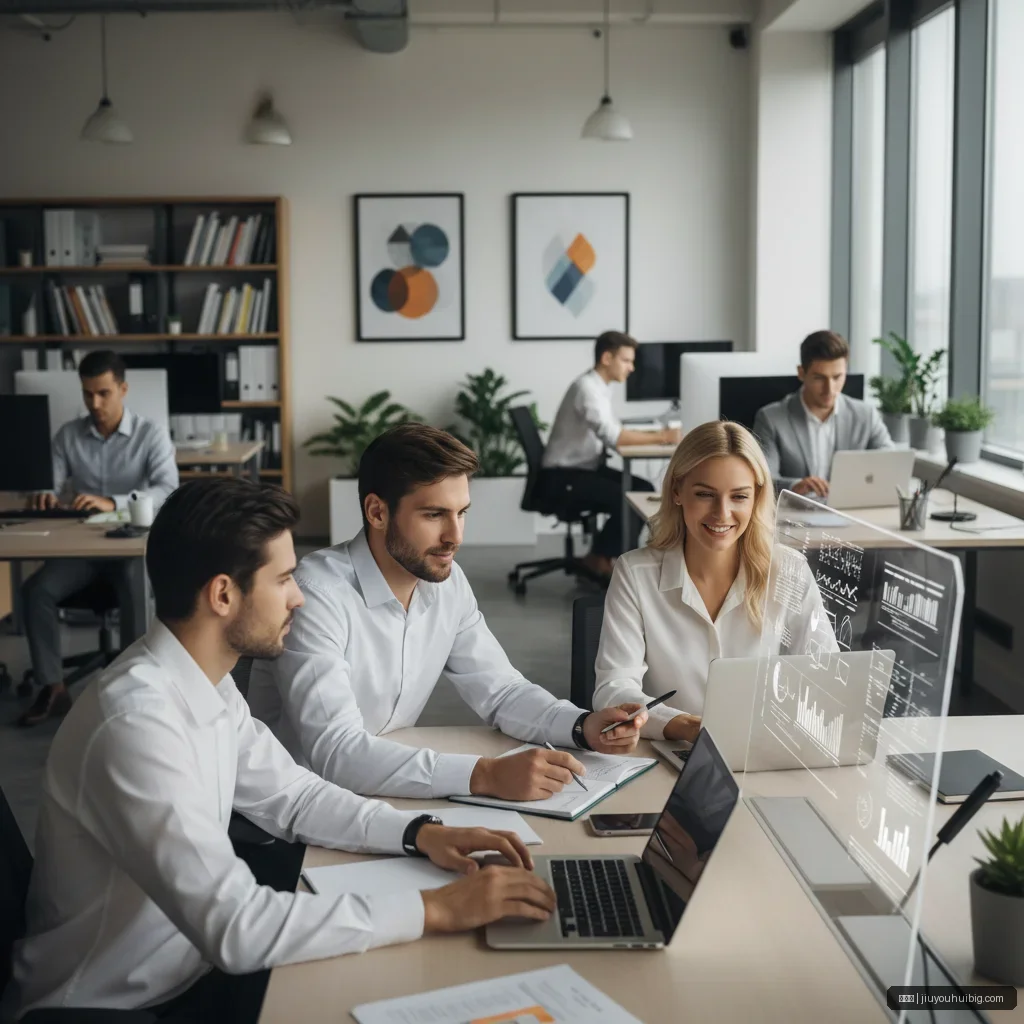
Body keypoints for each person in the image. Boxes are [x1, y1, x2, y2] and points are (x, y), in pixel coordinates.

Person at [12, 478, 556, 1020]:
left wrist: (419, 833)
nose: (299, 596)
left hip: (194, 965)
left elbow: (294, 798)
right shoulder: (136, 726)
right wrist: (432, 909)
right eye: (285, 578)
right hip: (120, 1004)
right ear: (223, 595)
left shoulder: (205, 681)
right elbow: (237, 928)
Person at [247, 424, 648, 803]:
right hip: (301, 810)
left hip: (387, 788)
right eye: (434, 515)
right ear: (377, 512)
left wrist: (582, 726)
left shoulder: (447, 582)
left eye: (462, 513)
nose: (455, 537)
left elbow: (502, 691)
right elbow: (337, 752)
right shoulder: (316, 597)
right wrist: (485, 776)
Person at [591, 421, 836, 742]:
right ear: (677, 491)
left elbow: (827, 675)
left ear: (756, 498)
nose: (722, 513)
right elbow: (613, 688)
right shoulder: (635, 574)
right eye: (705, 494)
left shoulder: (790, 569)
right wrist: (679, 724)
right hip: (671, 750)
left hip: (761, 746)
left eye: (739, 496)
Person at [18, 349, 179, 727]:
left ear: (123, 389)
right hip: (83, 551)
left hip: (129, 549)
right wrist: (43, 493)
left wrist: (113, 502)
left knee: (134, 584)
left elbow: (168, 489)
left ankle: (136, 693)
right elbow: (50, 485)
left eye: (103, 393)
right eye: (88, 393)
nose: (94, 403)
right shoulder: (68, 436)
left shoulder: (150, 434)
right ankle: (53, 687)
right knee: (35, 590)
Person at [540, 331, 681, 575]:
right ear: (607, 358)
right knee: (629, 496)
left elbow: (614, 431)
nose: (632, 368)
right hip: (563, 477)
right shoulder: (587, 389)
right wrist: (664, 437)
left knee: (641, 487)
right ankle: (602, 558)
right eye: (626, 361)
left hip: (583, 468)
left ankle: (607, 555)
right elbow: (616, 438)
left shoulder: (599, 387)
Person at [752, 329, 893, 498]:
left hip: (851, 511)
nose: (830, 389)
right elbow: (763, 480)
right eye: (819, 378)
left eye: (837, 377)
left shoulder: (866, 415)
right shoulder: (770, 418)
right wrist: (795, 486)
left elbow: (889, 462)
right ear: (801, 373)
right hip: (797, 515)